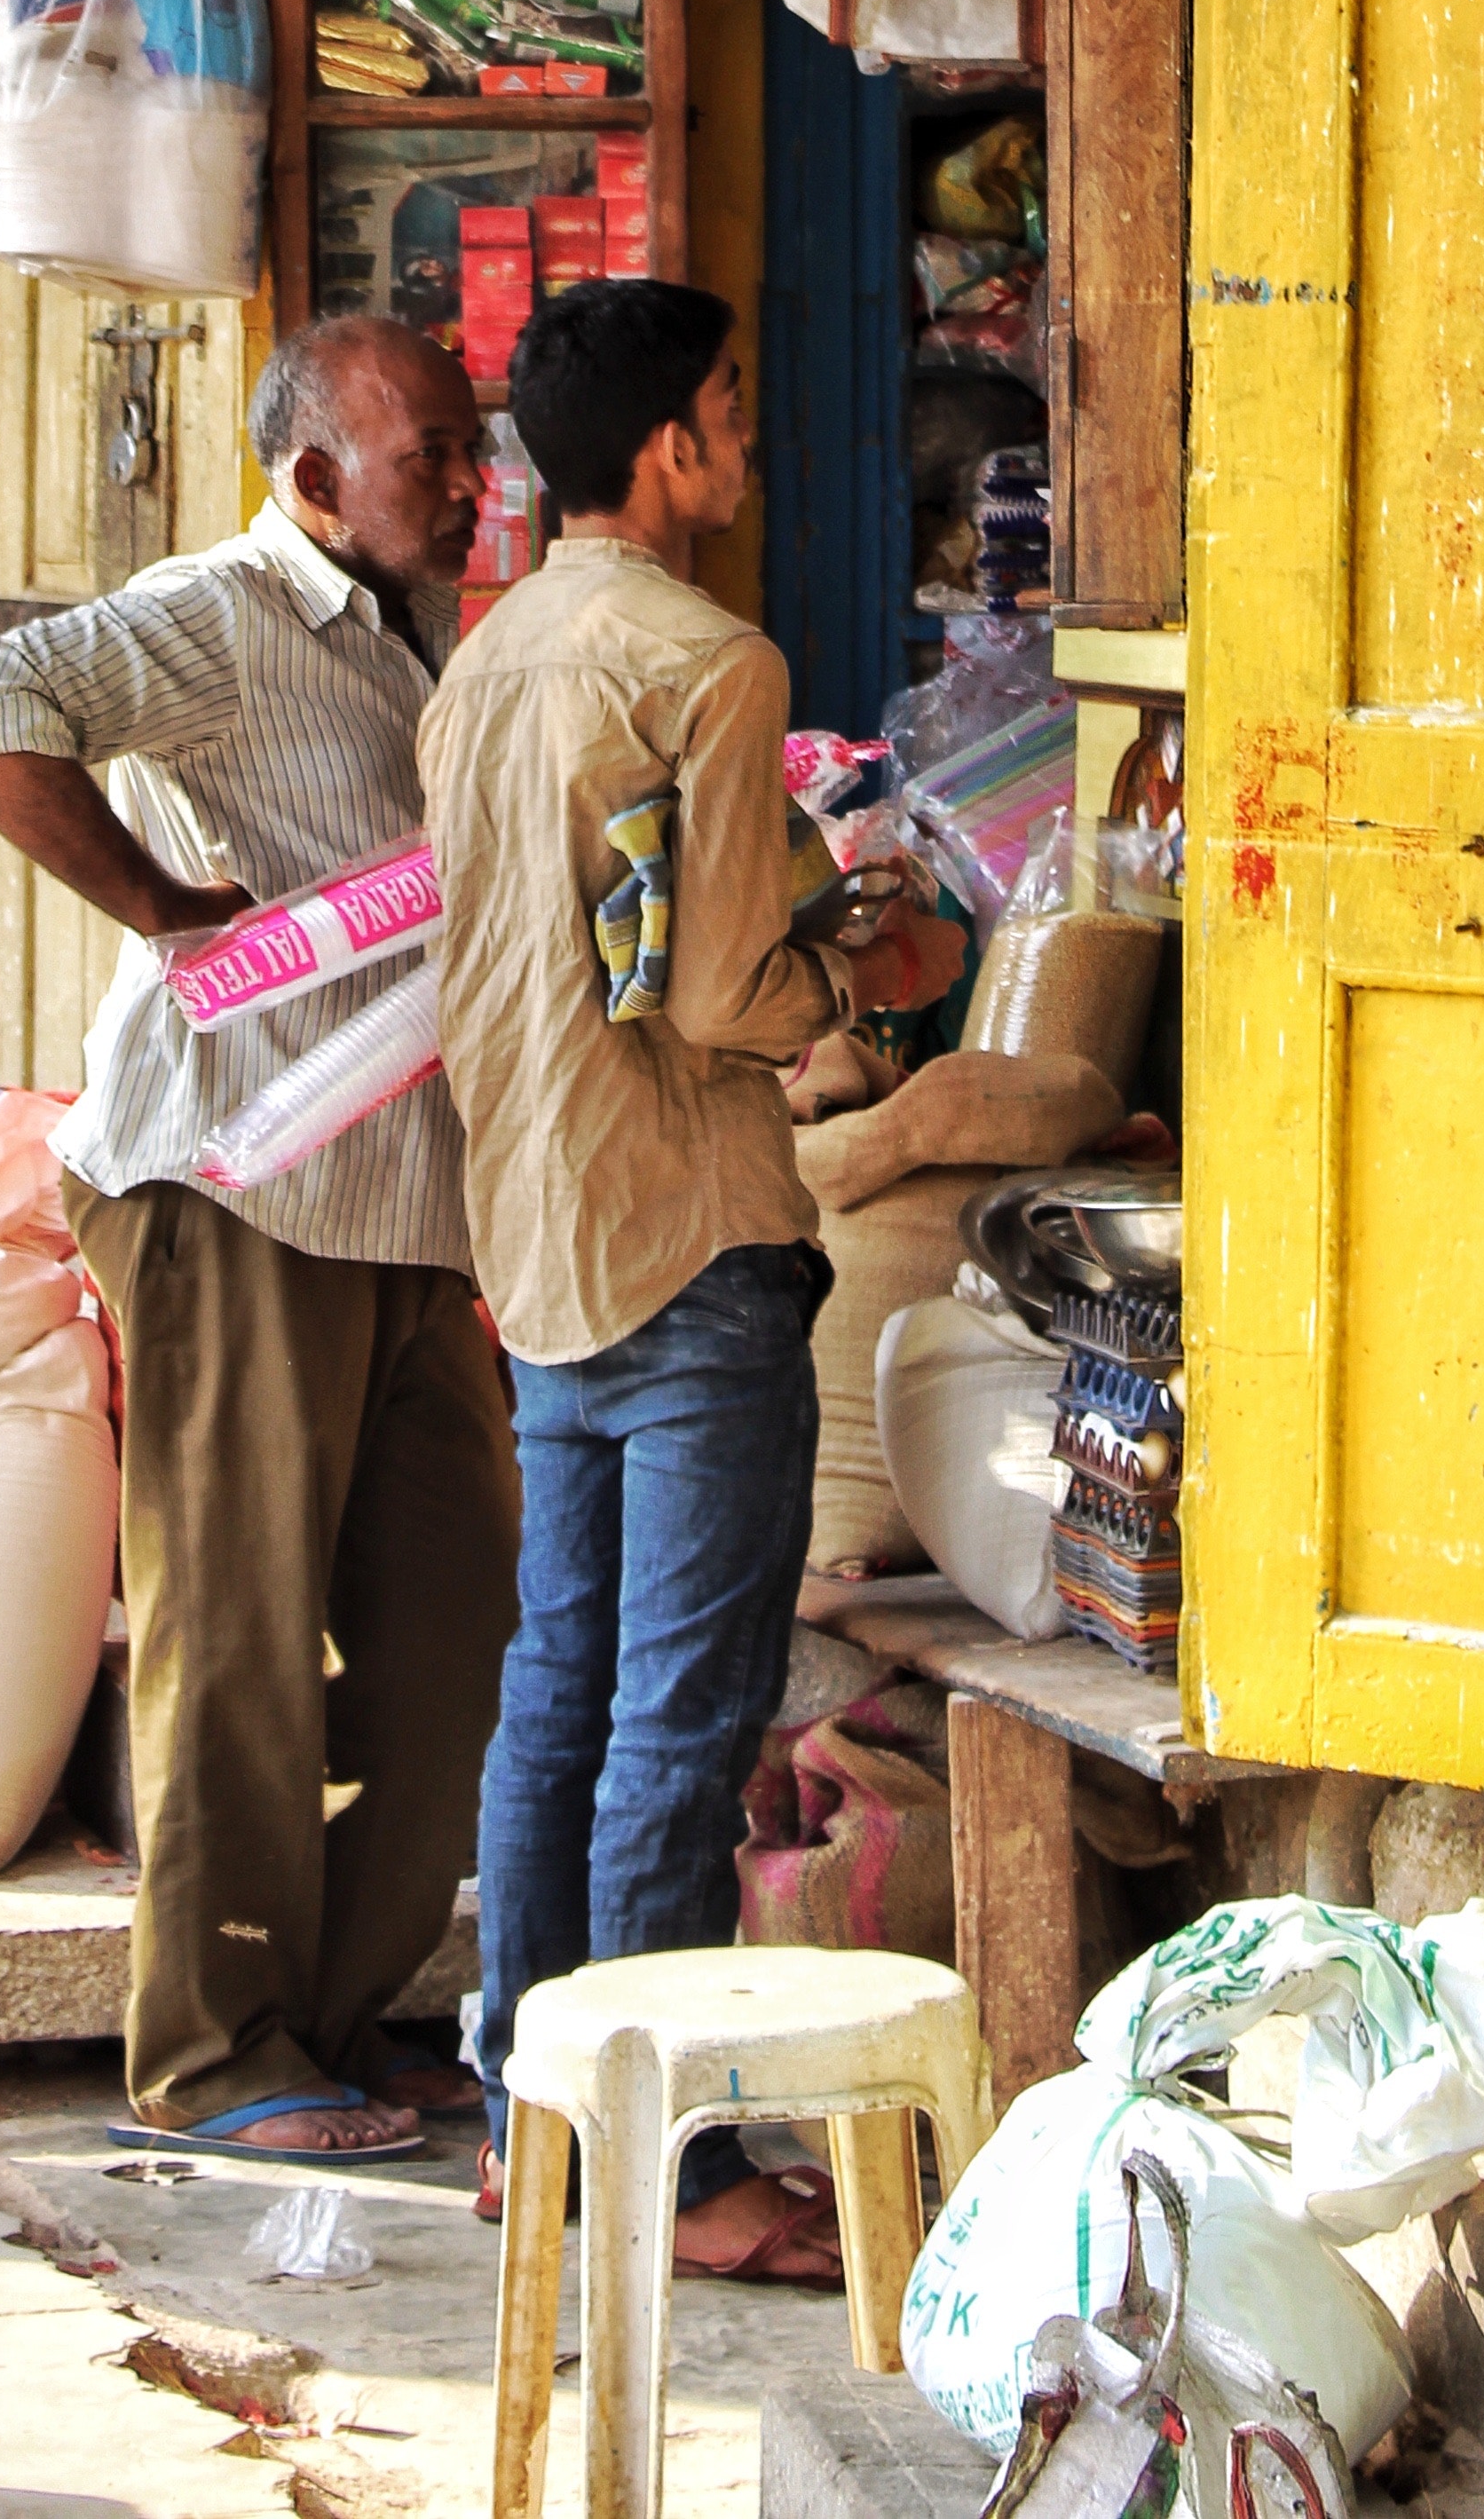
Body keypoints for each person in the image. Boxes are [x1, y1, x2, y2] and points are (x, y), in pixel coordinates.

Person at [415, 278, 967, 2280]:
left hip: (544, 1236)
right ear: (668, 446)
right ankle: (672, 2157)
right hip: (697, 1237)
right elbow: (728, 990)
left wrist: (788, 903)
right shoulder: (713, 661)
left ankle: (527, 2118)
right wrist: (869, 964)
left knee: (556, 1699)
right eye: (731, 403)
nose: (749, 432)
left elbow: (585, 934)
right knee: (678, 1715)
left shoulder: (490, 657)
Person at [0, 313, 517, 2162]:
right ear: (312, 472)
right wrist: (163, 902)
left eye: (465, 438)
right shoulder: (223, 610)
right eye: (423, 444)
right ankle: (213, 2046)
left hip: (412, 1208)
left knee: (458, 1642)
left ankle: (333, 2010)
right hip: (237, 1186)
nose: (460, 469)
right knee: (240, 1633)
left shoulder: (438, 629)